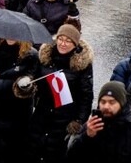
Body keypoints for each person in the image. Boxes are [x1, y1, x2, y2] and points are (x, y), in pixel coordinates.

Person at [24, 23, 94, 163]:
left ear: (75, 44)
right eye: (61, 39)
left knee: (55, 153)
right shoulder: (44, 57)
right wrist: (25, 84)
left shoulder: (82, 65)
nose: (63, 44)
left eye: (68, 41)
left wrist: (79, 121)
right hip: (41, 113)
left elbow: (86, 96)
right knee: (33, 149)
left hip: (65, 117)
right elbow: (33, 77)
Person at [66, 80, 131, 163]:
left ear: (122, 104)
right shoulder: (90, 127)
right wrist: (86, 137)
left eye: (112, 102)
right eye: (103, 102)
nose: (106, 106)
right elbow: (71, 158)